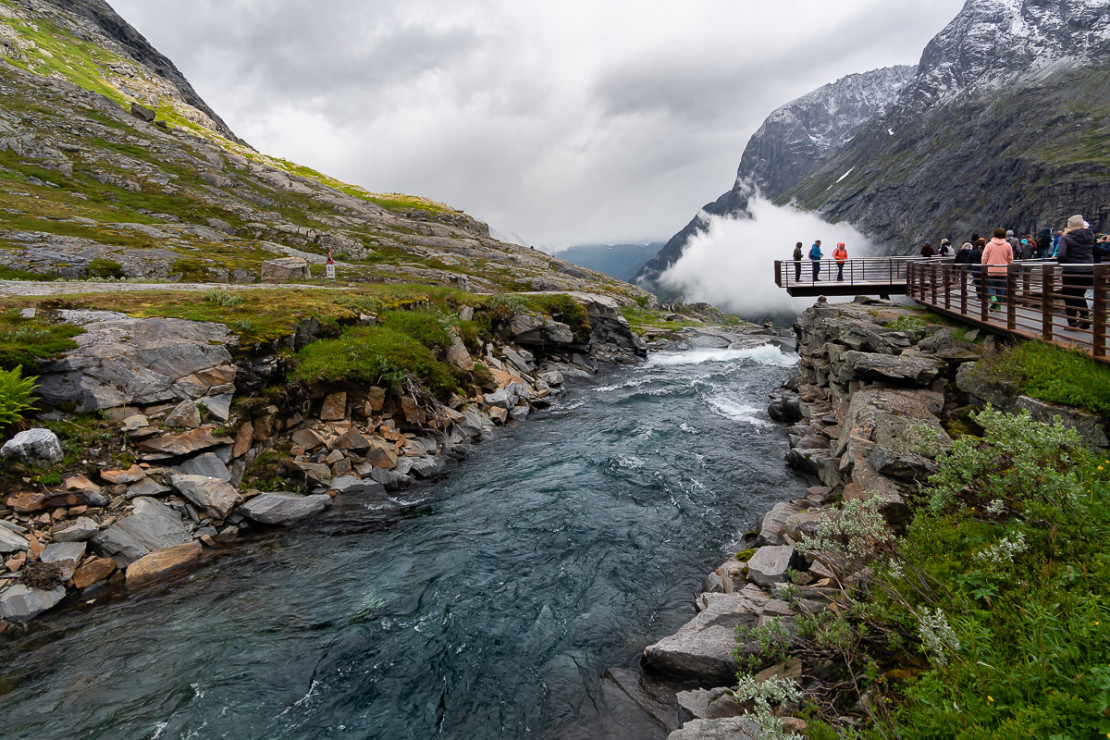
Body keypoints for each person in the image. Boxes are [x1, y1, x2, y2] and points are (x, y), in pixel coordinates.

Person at [1057, 214, 1095, 328]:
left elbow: (1061, 255)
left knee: (1068, 295)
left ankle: (1072, 322)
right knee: (1080, 294)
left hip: (1071, 270)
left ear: (1070, 226)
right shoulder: (1090, 236)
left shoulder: (1066, 238)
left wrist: (1066, 261)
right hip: (1088, 270)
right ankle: (1084, 316)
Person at [982, 228, 1014, 310]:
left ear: (994, 234)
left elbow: (984, 258)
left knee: (989, 286)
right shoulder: (1007, 245)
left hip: (991, 269)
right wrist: (1007, 265)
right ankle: (998, 306)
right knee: (1001, 288)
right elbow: (1010, 258)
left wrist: (984, 266)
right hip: (1003, 270)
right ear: (1004, 235)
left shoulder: (989, 245)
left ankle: (993, 298)